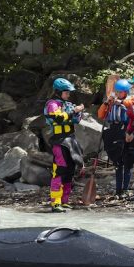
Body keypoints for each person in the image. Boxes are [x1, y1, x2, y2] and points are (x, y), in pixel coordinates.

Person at [44, 77, 85, 212]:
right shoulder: (52, 104)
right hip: (59, 141)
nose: (68, 94)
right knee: (60, 171)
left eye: (69, 92)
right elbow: (59, 117)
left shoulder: (68, 104)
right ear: (58, 92)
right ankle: (55, 202)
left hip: (70, 140)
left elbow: (76, 120)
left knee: (70, 170)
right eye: (66, 92)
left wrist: (78, 112)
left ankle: (64, 200)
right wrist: (74, 111)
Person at [99, 78, 133, 198]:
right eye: (117, 91)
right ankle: (118, 190)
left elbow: (132, 109)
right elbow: (101, 114)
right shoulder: (111, 102)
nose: (118, 94)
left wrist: (122, 103)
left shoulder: (130, 101)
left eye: (120, 92)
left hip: (125, 131)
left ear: (126, 92)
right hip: (114, 130)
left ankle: (125, 189)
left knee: (126, 162)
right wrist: (106, 103)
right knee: (117, 163)